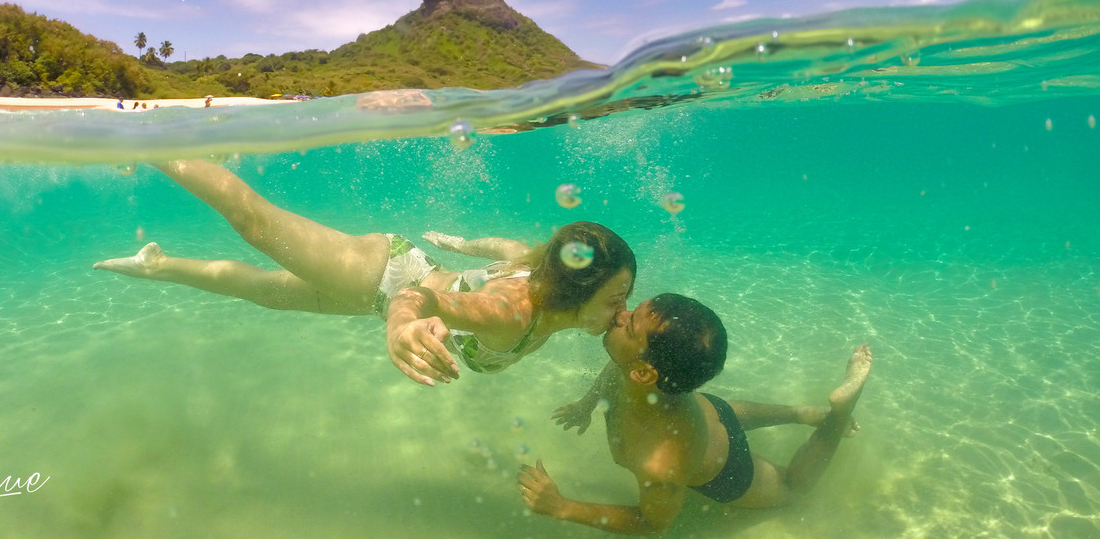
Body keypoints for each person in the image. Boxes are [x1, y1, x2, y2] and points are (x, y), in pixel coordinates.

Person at [94, 160, 636, 387]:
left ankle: (157, 264)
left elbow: (504, 246)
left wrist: (460, 245)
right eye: (617, 299)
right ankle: (153, 145)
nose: (624, 311)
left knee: (264, 293)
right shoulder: (511, 312)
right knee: (256, 224)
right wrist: (401, 325)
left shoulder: (539, 264)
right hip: (386, 278)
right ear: (574, 288)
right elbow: (423, 298)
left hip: (379, 292)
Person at [518, 294, 872, 534]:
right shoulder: (636, 370)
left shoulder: (662, 465)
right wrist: (586, 405)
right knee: (725, 414)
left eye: (629, 325)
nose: (618, 315)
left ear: (643, 372)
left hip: (726, 469)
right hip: (706, 413)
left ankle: (838, 414)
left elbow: (653, 523)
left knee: (794, 488)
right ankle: (801, 412)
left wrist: (561, 507)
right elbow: (614, 373)